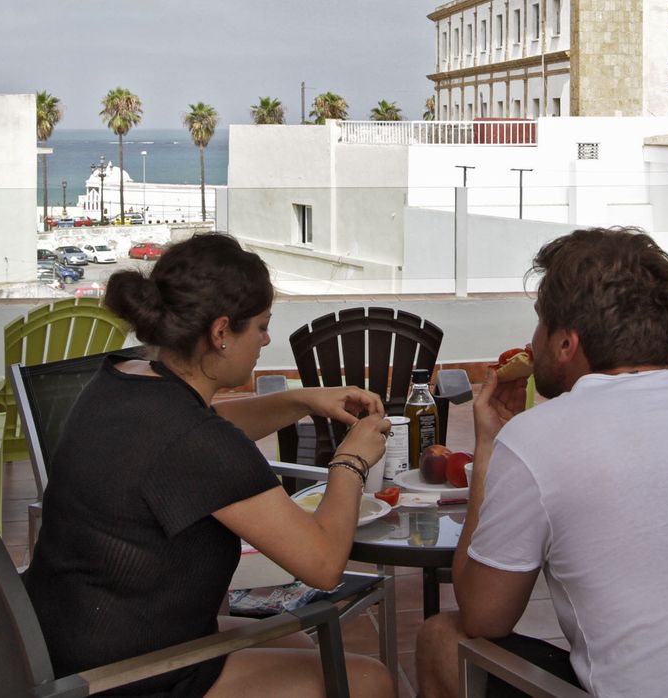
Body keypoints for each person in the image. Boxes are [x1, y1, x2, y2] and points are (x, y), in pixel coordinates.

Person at [416, 227, 668, 698]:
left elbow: (484, 616)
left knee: (441, 638)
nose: (533, 340)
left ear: (567, 343)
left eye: (541, 323)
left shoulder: (537, 437)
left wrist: (489, 449)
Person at [23, 233, 396, 698]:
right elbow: (322, 565)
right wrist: (351, 461)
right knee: (369, 681)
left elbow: (199, 425)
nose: (266, 339)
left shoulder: (120, 379)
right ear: (221, 333)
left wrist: (300, 400)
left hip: (67, 643)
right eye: (260, 326)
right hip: (123, 677)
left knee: (300, 641)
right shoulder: (198, 443)